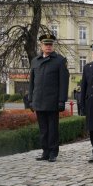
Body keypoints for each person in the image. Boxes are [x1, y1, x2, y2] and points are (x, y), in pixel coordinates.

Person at [29, 34, 69, 162]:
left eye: (50, 44)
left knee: (53, 129)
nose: (48, 47)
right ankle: (45, 151)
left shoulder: (60, 60)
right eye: (46, 45)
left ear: (53, 46)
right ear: (41, 46)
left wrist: (62, 100)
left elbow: (64, 82)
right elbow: (32, 82)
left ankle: (53, 152)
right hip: (39, 101)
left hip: (53, 101)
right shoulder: (35, 61)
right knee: (43, 129)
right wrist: (30, 100)